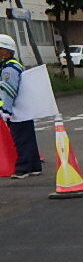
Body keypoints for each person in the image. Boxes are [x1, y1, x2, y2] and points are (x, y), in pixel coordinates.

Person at [0, 34, 43, 177]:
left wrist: (5, 110)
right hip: (24, 108)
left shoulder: (9, 68)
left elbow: (8, 90)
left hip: (16, 109)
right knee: (28, 137)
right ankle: (34, 166)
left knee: (19, 139)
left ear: (6, 51)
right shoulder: (13, 65)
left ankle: (23, 168)